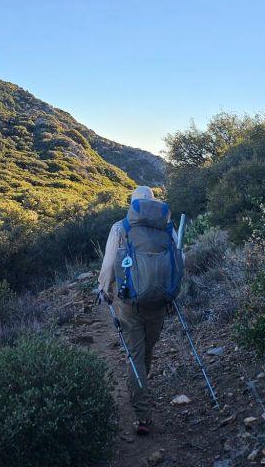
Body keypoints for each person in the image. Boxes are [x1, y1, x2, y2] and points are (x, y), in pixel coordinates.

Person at [98, 185, 174, 435]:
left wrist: (105, 290)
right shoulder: (166, 226)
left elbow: (109, 264)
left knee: (135, 354)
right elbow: (178, 260)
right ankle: (140, 386)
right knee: (146, 350)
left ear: (132, 204)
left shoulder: (121, 227)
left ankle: (143, 415)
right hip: (159, 301)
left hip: (129, 302)